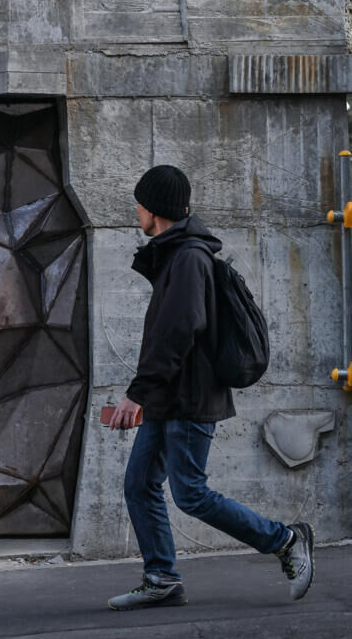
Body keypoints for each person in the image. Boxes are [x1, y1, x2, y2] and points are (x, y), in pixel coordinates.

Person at [105, 165, 314, 611]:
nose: (136, 211)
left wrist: (137, 392)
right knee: (139, 484)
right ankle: (162, 579)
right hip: (168, 397)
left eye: (140, 204)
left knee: (191, 494)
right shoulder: (175, 255)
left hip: (190, 398)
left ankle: (285, 540)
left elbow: (178, 331)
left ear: (154, 209)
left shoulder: (189, 258)